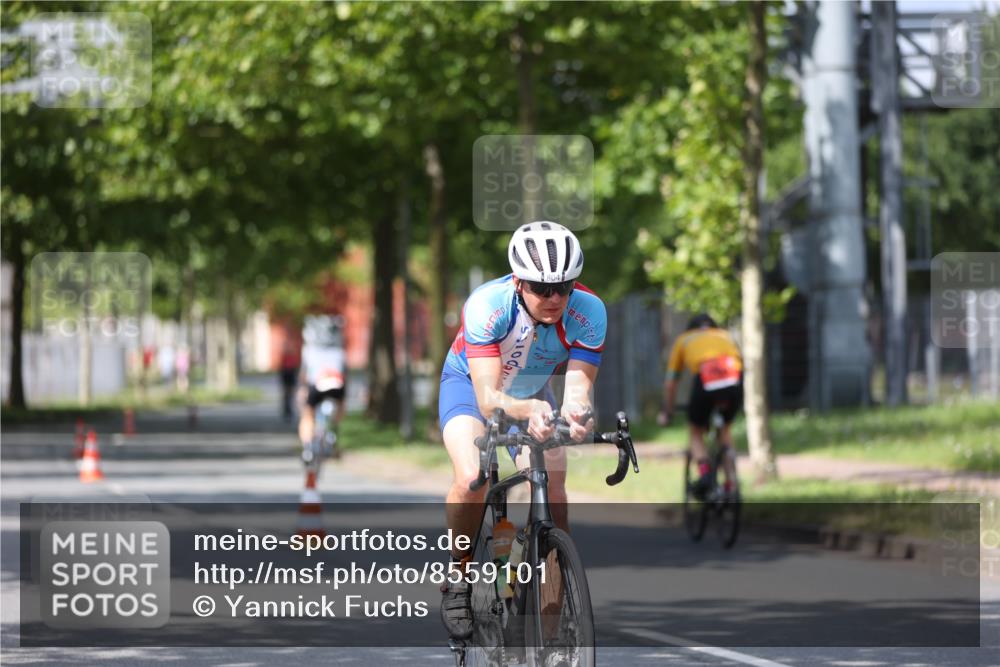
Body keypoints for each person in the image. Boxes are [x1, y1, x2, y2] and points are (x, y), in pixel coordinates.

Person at [437, 221, 606, 639]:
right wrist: (530, 408)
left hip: (534, 393)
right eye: (540, 287)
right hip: (472, 387)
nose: (554, 298)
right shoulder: (488, 305)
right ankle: (458, 577)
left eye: (563, 287)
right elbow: (489, 397)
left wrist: (578, 416)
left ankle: (552, 622)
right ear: (518, 281)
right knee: (471, 475)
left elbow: (579, 389)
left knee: (553, 486)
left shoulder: (590, 311)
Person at [658, 314, 743, 500]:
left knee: (695, 430)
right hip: (734, 378)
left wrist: (667, 411)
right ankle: (731, 484)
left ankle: (705, 475)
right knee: (725, 431)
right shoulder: (724, 335)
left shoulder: (684, 339)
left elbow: (671, 383)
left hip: (707, 378)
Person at [298, 315, 347, 463]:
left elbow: (304, 375)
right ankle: (333, 432)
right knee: (340, 407)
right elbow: (345, 374)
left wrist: (302, 390)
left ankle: (307, 448)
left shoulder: (308, 351)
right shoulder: (340, 351)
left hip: (317, 385)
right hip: (337, 383)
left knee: (307, 416)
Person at [278, 338, 300, 421]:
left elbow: (295, 367)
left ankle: (289, 409)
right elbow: (282, 367)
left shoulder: (292, 356)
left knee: (291, 393)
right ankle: (286, 409)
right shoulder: (285, 356)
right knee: (286, 394)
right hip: (286, 374)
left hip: (291, 374)